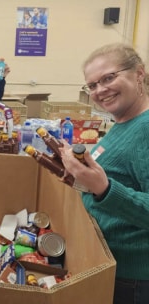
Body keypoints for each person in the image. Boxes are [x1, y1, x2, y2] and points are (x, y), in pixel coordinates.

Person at [60, 43, 149, 304]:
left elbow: (108, 187)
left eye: (109, 77)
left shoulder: (145, 128)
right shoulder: (123, 123)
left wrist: (104, 188)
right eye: (93, 85)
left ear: (139, 74)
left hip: (132, 279)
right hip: (107, 263)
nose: (100, 90)